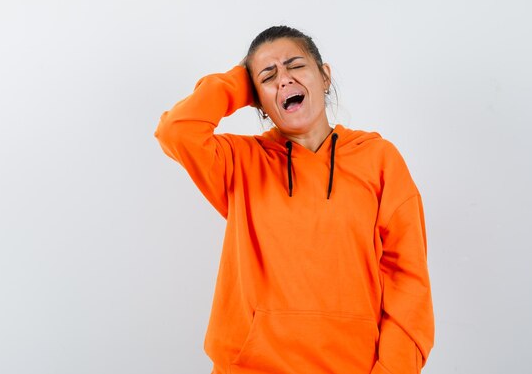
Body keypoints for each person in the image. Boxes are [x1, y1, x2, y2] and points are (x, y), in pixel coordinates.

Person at [155, 25, 434, 374]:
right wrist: (242, 82)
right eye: (268, 76)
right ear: (255, 98)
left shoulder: (378, 159)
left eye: (295, 66)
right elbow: (176, 131)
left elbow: (407, 280)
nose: (284, 80)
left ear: (324, 76)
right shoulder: (240, 162)